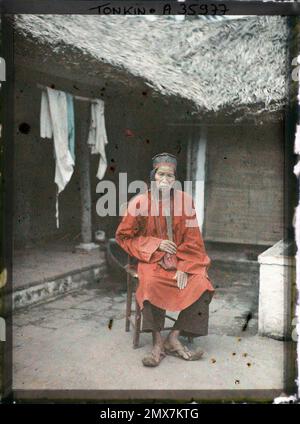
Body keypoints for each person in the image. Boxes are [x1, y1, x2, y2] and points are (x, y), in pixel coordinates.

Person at [115, 152, 214, 367]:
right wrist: (155, 244)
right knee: (149, 285)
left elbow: (194, 239)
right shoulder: (139, 202)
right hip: (151, 259)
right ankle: (157, 344)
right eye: (161, 174)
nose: (165, 180)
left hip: (182, 260)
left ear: (175, 179)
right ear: (153, 176)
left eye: (170, 176)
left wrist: (184, 267)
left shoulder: (185, 202)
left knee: (202, 284)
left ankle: (174, 337)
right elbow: (124, 237)